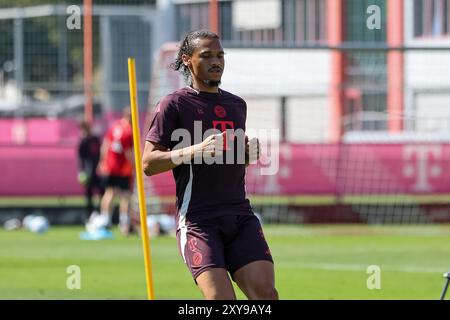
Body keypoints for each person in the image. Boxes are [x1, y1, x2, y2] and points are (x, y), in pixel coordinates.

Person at [142, 29, 278, 300]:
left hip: (240, 216)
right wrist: (195, 150)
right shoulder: (173, 104)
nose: (216, 61)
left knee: (266, 295)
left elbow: (228, 161)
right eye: (206, 56)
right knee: (221, 301)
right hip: (198, 221)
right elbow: (148, 163)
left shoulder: (236, 105)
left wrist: (247, 156)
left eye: (219, 55)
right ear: (187, 60)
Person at [96, 107, 135, 236]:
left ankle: (105, 221)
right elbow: (129, 152)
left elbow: (105, 145)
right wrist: (135, 166)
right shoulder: (128, 131)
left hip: (109, 166)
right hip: (123, 169)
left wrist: (102, 162)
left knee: (109, 193)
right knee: (125, 196)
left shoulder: (114, 127)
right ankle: (124, 223)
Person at [77, 121, 104, 221]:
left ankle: (100, 213)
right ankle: (89, 216)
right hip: (88, 171)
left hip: (98, 170)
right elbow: (81, 158)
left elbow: (101, 152)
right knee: (89, 194)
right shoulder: (83, 141)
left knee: (102, 191)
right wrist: (81, 171)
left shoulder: (95, 139)